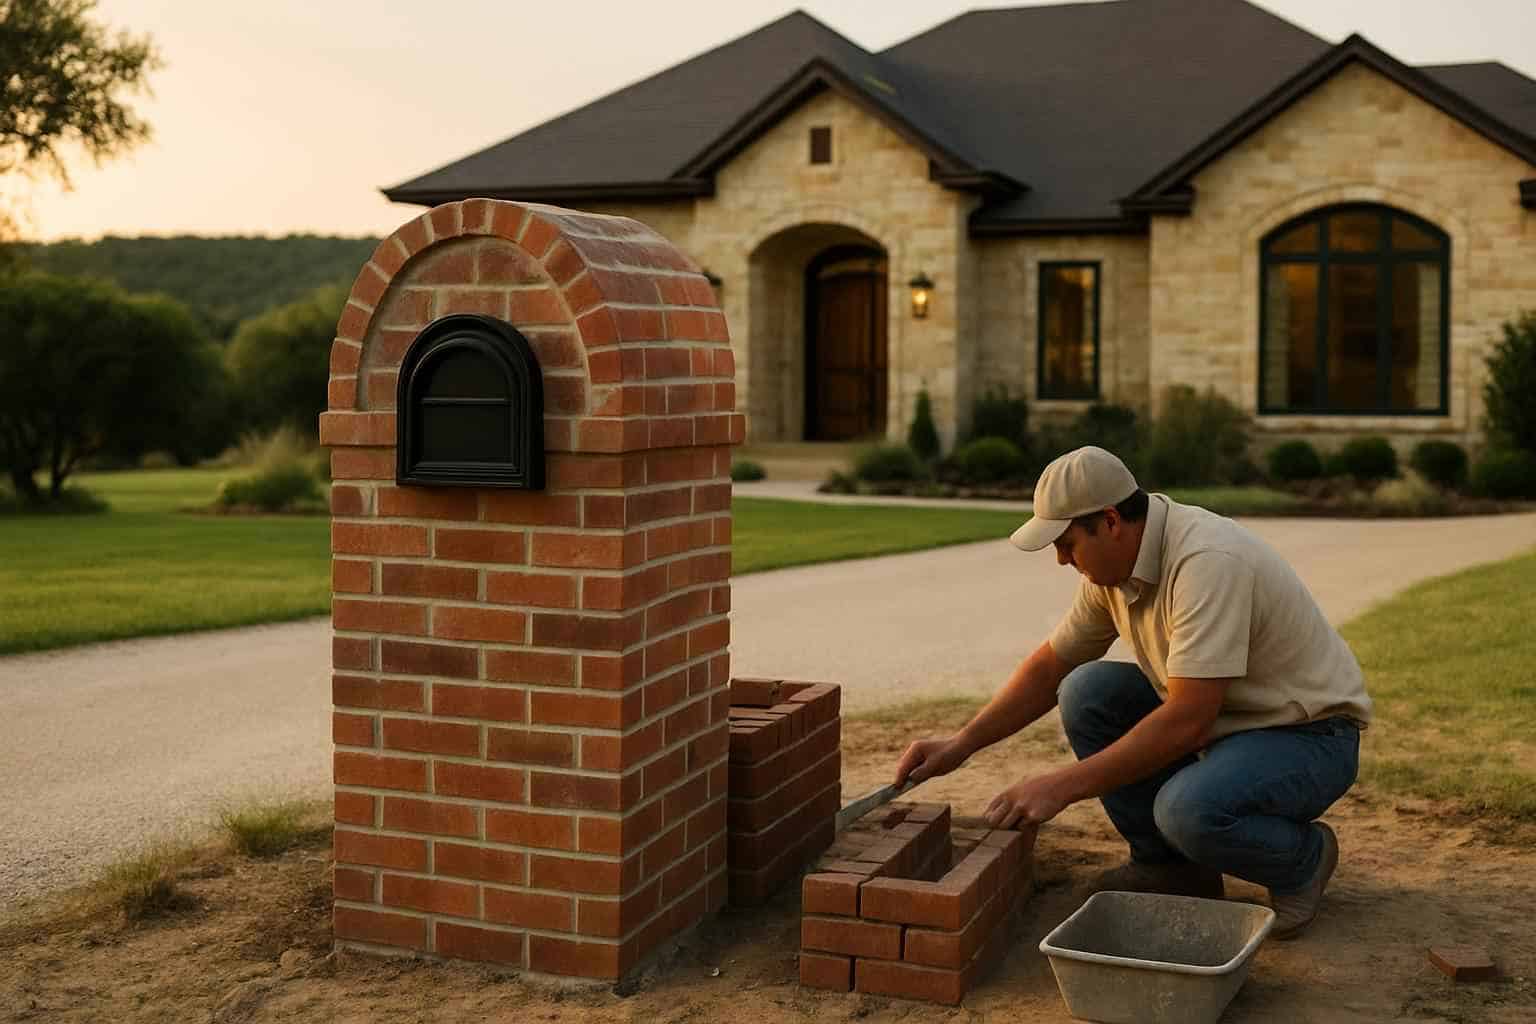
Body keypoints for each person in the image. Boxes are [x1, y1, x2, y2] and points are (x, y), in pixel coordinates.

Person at [893, 445, 1371, 939]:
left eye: (1066, 542)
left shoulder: (1207, 561)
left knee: (1185, 810)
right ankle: (1170, 868)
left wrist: (1061, 785)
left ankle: (1303, 860)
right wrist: (962, 743)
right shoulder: (1112, 569)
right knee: (1085, 689)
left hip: (1308, 737)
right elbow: (1049, 668)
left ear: (1110, 520)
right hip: (1230, 727)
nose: (1060, 559)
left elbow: (1188, 719)